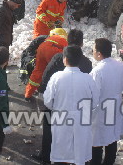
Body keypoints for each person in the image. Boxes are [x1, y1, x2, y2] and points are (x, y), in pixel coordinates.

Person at [33, 29, 92, 164]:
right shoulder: (87, 63)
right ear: (82, 44)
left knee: (49, 132)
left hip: (56, 105)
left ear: (67, 41)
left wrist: (46, 95)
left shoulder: (59, 58)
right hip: (79, 109)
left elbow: (45, 78)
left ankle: (46, 156)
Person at [44, 45, 99, 165]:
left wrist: (58, 107)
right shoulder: (88, 79)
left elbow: (47, 101)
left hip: (61, 120)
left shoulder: (56, 77)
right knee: (80, 155)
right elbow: (95, 102)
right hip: (82, 122)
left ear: (65, 59)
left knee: (61, 155)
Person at [90, 38, 123, 165]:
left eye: (94, 50)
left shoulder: (98, 71)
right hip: (115, 107)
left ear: (99, 54)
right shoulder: (119, 65)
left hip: (101, 111)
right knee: (112, 139)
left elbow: (93, 94)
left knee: (96, 143)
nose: (93, 52)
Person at [24, 29, 68, 100]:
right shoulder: (64, 41)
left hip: (42, 48)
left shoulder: (48, 38)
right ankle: (54, 95)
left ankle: (28, 94)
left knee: (38, 70)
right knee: (57, 71)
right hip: (54, 50)